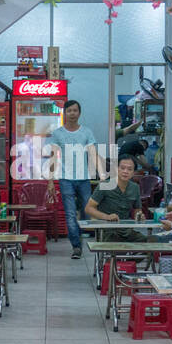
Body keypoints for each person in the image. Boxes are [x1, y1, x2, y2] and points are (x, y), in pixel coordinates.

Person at [46, 99, 98, 260]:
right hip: (65, 179)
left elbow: (93, 154)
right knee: (70, 214)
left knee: (87, 212)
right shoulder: (58, 133)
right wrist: (50, 181)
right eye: (69, 111)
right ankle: (76, 246)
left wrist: (100, 174)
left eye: (75, 110)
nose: (72, 113)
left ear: (79, 113)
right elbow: (53, 157)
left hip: (84, 178)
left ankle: (85, 237)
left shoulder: (87, 132)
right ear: (65, 113)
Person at [84, 154, 146, 242]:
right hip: (106, 231)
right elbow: (88, 208)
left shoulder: (135, 188)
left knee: (146, 242)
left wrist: (139, 216)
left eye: (129, 169)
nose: (125, 171)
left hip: (126, 231)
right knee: (118, 246)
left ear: (133, 173)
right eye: (122, 168)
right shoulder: (104, 185)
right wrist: (106, 217)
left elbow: (137, 209)